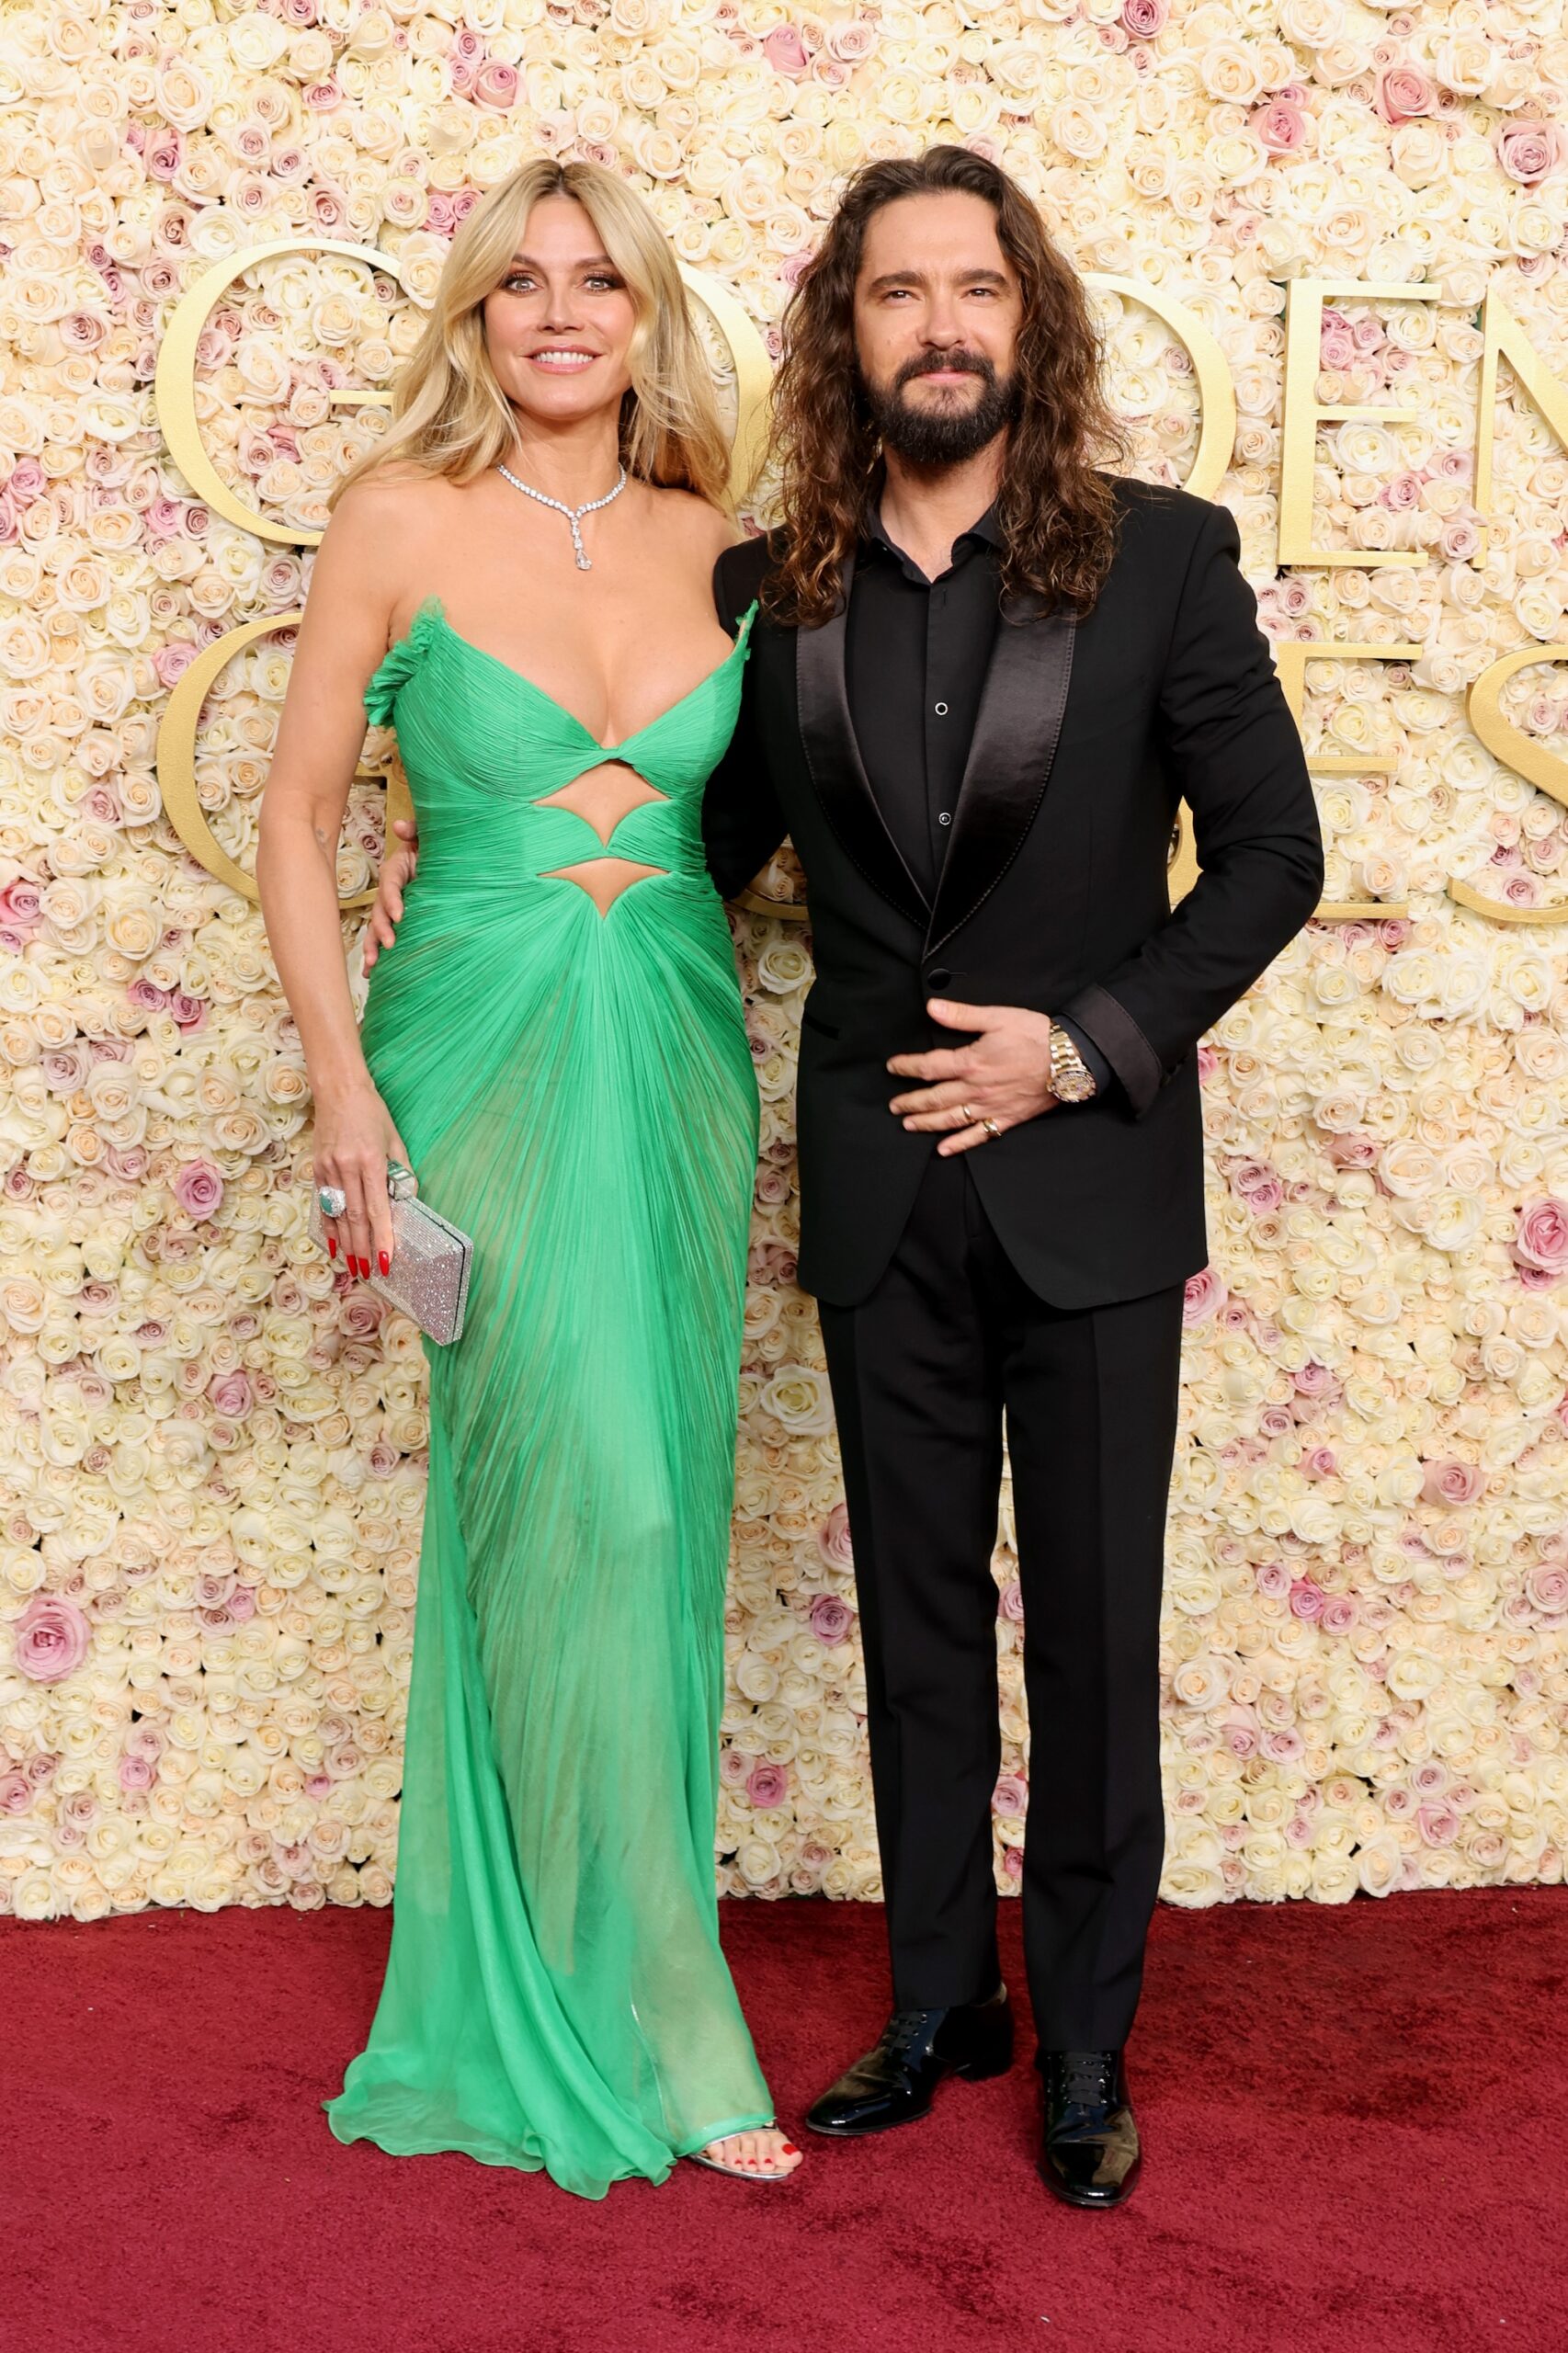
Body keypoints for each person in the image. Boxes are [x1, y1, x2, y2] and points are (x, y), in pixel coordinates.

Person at [369, 145, 1324, 2209]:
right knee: (912, 1630)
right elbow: (688, 852)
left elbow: (1270, 860)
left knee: (1084, 1629)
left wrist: (1085, 1045)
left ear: (1028, 321)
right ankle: (932, 2006)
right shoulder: (770, 587)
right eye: (897, 293)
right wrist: (478, 904)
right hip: (877, 1186)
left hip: (1086, 1190)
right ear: (844, 328)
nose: (942, 325)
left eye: (975, 288)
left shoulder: (1164, 560)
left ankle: (1078, 2041)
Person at [256, 156, 803, 2197]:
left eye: (599, 282)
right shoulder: (396, 518)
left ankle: (600, 1956)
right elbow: (304, 819)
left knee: (653, 1505)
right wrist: (341, 1091)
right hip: (465, 1048)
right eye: (520, 283)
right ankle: (651, 2008)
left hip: (669, 1041)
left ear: (649, 315)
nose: (560, 313)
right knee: (561, 1490)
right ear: (474, 316)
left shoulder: (722, 544)